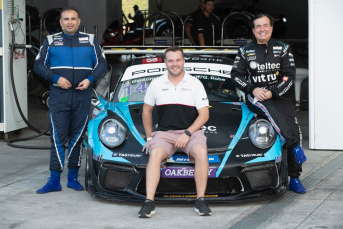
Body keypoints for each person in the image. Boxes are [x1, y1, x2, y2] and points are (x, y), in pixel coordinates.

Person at [231, 13, 307, 194]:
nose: (262, 29)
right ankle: (294, 145)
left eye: (265, 26)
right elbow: (236, 76)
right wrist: (252, 89)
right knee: (270, 109)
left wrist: (273, 91)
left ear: (271, 28)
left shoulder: (283, 48)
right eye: (258, 26)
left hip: (278, 96)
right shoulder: (244, 51)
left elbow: (289, 75)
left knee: (294, 127)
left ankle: (294, 178)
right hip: (255, 96)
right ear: (253, 30)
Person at [34, 6, 107, 194]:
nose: (69, 22)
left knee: (76, 137)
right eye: (66, 19)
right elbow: (38, 65)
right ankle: (54, 180)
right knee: (57, 138)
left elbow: (103, 64)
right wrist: (55, 78)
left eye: (73, 19)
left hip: (82, 97)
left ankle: (73, 178)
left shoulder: (90, 41)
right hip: (59, 97)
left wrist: (90, 79)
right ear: (60, 22)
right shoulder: (51, 41)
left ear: (79, 21)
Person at [139, 46, 211, 218]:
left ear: (183, 61)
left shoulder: (195, 84)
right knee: (155, 153)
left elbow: (204, 114)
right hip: (164, 133)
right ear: (165, 62)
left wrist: (186, 133)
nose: (174, 64)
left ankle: (200, 200)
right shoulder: (156, 84)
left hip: (190, 133)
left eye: (178, 60)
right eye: (170, 60)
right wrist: (149, 138)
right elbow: (146, 111)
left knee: (201, 151)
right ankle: (149, 202)